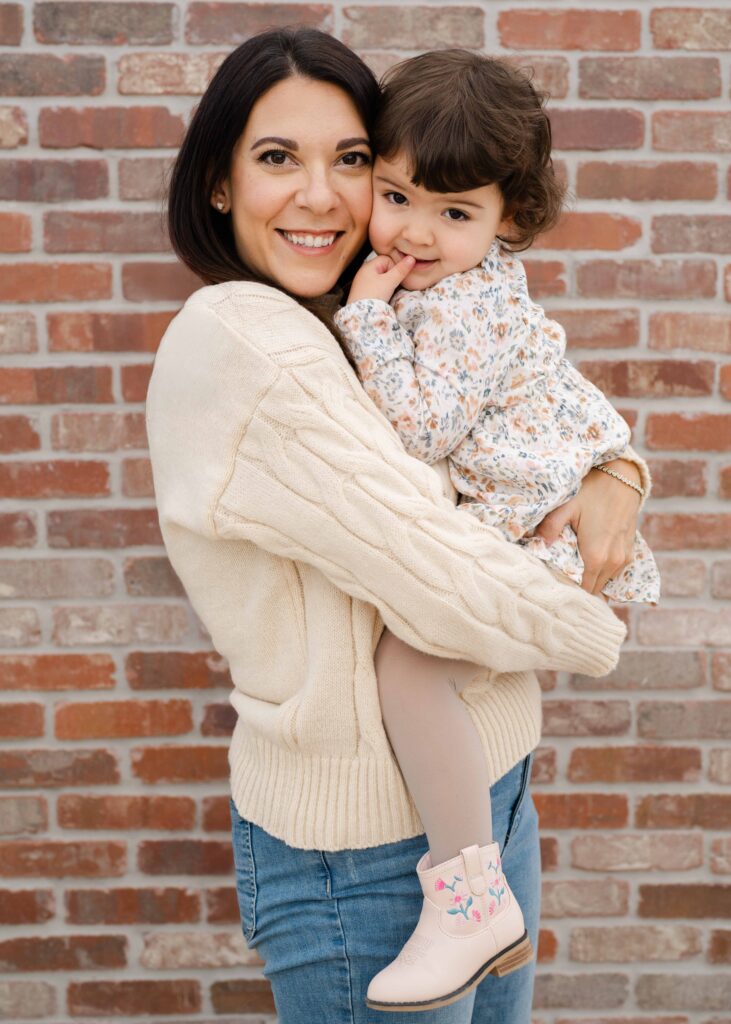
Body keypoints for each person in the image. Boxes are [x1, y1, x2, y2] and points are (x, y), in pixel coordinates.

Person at [145, 27, 646, 1024]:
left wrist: (616, 474)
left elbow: (535, 396)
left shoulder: (393, 307)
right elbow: (425, 566)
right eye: (277, 158)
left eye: (353, 161)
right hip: (364, 852)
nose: (324, 195)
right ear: (216, 183)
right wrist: (592, 615)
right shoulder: (246, 339)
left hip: (486, 799)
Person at [333, 50, 660, 1012]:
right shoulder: (447, 287)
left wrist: (365, 319)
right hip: (524, 513)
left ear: (507, 219)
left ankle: (468, 898)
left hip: (537, 526)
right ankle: (482, 906)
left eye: (454, 213)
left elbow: (422, 426)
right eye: (395, 196)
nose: (415, 233)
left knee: (407, 665)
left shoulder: (462, 303)